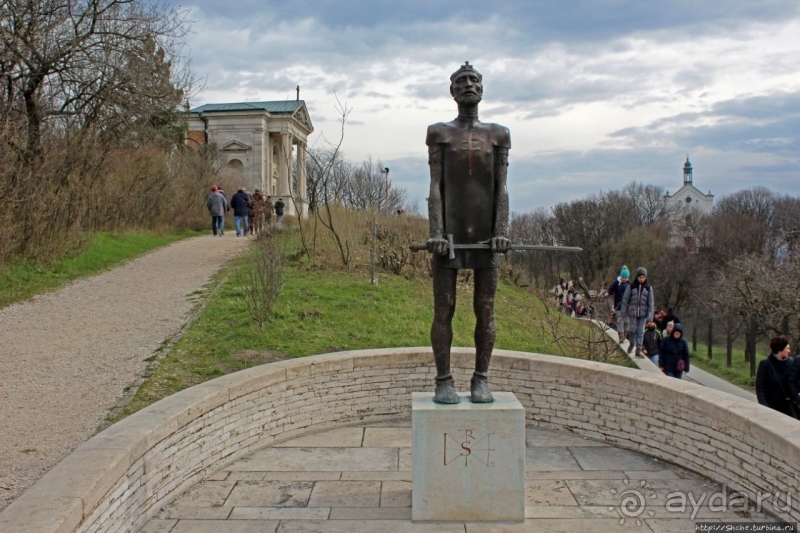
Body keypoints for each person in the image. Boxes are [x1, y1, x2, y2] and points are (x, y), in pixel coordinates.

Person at [425, 61, 511, 404]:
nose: (468, 85)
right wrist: (436, 230)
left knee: (486, 310)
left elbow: (501, 187)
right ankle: (443, 380)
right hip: (448, 237)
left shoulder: (499, 134)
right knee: (444, 310)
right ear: (452, 91)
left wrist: (501, 230)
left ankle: (481, 378)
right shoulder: (439, 132)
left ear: (483, 88)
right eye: (461, 81)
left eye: (474, 80)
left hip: (487, 239)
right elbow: (435, 185)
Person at [756, 336, 797, 419]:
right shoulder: (765, 364)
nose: (789, 351)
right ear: (780, 349)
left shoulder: (791, 362)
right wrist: (765, 407)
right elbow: (760, 387)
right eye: (787, 348)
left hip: (789, 408)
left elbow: (794, 382)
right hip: (772, 408)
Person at [619, 267, 654, 358]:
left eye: (643, 277)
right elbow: (625, 300)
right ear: (637, 277)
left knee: (640, 332)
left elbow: (651, 303)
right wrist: (623, 312)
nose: (641, 279)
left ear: (645, 277)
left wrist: (650, 318)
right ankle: (632, 343)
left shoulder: (648, 288)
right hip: (633, 313)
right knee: (632, 331)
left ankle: (638, 349)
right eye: (640, 277)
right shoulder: (631, 286)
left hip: (643, 314)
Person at [603, 266, 630, 345]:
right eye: (623, 277)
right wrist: (607, 292)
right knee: (620, 321)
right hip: (618, 305)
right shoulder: (616, 283)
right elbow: (610, 289)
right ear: (621, 276)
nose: (624, 279)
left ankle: (625, 334)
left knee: (627, 322)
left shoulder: (630, 284)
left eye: (626, 277)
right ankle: (621, 336)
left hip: (627, 306)